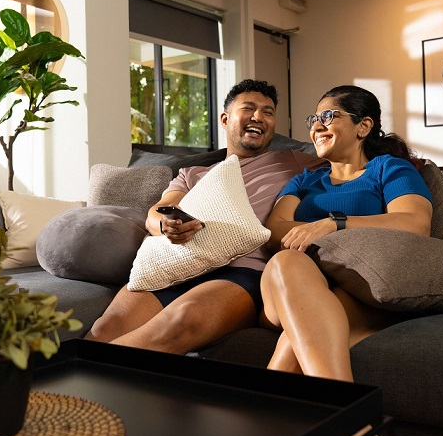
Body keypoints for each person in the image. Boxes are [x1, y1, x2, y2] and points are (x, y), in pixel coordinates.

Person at [260, 85, 433, 436]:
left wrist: (333, 224)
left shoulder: (390, 169)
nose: (317, 126)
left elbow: (416, 222)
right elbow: (275, 228)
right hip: (286, 285)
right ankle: (356, 431)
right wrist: (324, 227)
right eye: (314, 119)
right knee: (289, 263)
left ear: (363, 126)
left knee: (293, 348)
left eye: (329, 116)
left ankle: (267, 435)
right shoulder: (306, 180)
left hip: (359, 292)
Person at [85, 79, 325, 352]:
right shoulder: (193, 174)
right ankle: (58, 393)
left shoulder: (294, 161)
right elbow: (157, 211)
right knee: (105, 329)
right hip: (178, 264)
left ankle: (80, 390)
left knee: (179, 321)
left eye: (268, 112)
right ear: (225, 119)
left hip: (244, 272)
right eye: (248, 108)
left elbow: (348, 159)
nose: (258, 116)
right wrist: (165, 225)